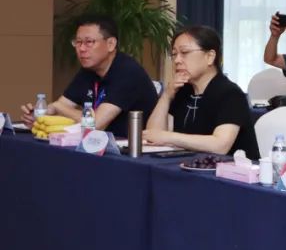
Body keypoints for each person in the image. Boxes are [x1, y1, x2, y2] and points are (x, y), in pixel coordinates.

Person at [20, 14, 157, 139]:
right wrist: (40, 115)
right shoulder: (89, 70)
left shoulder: (128, 72)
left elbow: (96, 124)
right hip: (98, 145)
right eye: (78, 42)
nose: (81, 49)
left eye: (89, 42)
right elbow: (63, 105)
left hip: (132, 149)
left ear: (111, 44)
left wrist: (57, 107)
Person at [144, 26, 259, 157]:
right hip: (188, 164)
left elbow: (220, 145)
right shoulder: (183, 90)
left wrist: (168, 137)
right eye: (174, 54)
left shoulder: (230, 94)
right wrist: (166, 96)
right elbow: (153, 135)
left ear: (210, 57)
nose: (177, 60)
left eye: (184, 52)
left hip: (230, 168)